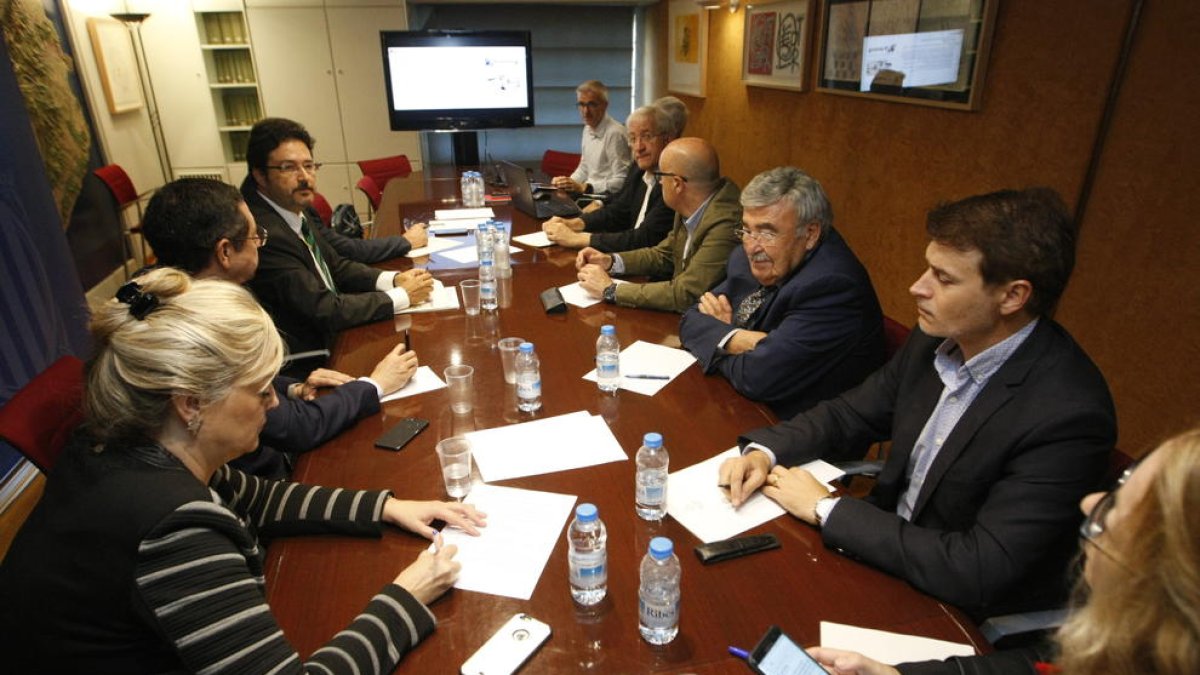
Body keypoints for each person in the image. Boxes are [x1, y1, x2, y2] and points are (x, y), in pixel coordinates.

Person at [0, 267, 487, 672]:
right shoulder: (172, 528)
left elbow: (259, 498)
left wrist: (388, 506)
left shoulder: (134, 440)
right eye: (260, 390)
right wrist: (405, 597)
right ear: (191, 403)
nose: (276, 401)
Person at [719, 188, 1117, 618]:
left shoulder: (1068, 414)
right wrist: (764, 451)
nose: (917, 288)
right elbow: (850, 413)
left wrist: (826, 509)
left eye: (943, 279)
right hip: (879, 549)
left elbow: (979, 567)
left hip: (952, 607)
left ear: (1012, 296)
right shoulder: (934, 340)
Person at [807, 427, 1200, 674]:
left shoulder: (1065, 412)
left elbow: (978, 566)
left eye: (1114, 507)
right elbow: (1037, 664)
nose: (1089, 503)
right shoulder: (1131, 644)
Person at [142, 177, 417, 476]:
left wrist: (293, 388)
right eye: (254, 236)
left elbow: (259, 386)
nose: (261, 242)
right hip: (262, 479)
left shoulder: (161, 293)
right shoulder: (203, 331)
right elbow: (297, 427)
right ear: (224, 252)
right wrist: (374, 385)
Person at [679, 167, 885, 419]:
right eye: (746, 229)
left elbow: (758, 377)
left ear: (810, 234)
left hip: (797, 429)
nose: (752, 247)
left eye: (767, 232)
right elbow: (690, 317)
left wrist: (717, 341)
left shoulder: (834, 286)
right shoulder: (748, 258)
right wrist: (737, 338)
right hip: (738, 404)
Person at [241, 117, 434, 357]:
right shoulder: (263, 233)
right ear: (259, 175)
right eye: (289, 167)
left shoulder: (294, 206)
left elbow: (336, 266)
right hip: (316, 354)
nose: (304, 177)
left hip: (338, 329)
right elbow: (323, 309)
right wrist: (403, 296)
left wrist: (394, 280)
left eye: (309, 166)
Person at [575, 137, 741, 313]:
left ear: (677, 184)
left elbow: (686, 293)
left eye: (661, 176)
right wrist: (611, 261)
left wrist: (611, 290)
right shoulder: (692, 206)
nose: (659, 182)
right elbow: (665, 254)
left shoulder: (726, 223)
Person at [542, 105, 678, 253]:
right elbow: (618, 211)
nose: (638, 147)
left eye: (646, 136)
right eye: (632, 138)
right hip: (626, 255)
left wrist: (578, 239)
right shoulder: (639, 169)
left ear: (667, 139)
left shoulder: (673, 182)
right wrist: (573, 223)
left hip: (645, 266)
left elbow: (644, 239)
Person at [550, 80, 629, 197]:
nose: (585, 112)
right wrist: (567, 183)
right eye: (581, 104)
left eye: (592, 105)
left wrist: (586, 187)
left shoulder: (615, 133)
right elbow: (584, 168)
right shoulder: (588, 128)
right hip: (589, 194)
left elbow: (622, 180)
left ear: (605, 105)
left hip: (606, 199)